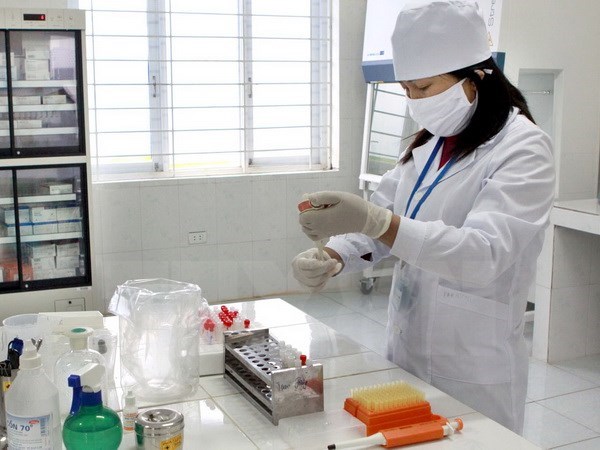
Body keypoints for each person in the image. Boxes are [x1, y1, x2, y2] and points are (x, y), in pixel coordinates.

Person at [292, 0, 555, 434]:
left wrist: (379, 222)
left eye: (425, 87)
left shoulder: (523, 149)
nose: (415, 102)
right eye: (407, 90)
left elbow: (482, 253)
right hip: (407, 348)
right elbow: (387, 218)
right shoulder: (431, 144)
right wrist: (336, 253)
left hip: (472, 360)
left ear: (477, 78)